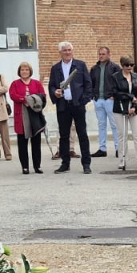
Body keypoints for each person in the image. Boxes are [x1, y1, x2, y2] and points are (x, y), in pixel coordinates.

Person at [49, 41, 92, 174]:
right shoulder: (55, 68)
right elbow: (51, 85)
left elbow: (88, 84)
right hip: (63, 105)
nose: (67, 52)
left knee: (82, 134)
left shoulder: (80, 65)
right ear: (60, 52)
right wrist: (55, 93)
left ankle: (86, 164)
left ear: (72, 51)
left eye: (69, 50)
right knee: (64, 136)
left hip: (78, 105)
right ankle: (65, 163)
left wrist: (84, 100)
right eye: (64, 50)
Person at [9, 61, 46, 174]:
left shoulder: (37, 83)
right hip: (21, 116)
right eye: (22, 70)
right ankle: (25, 166)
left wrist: (33, 101)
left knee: (36, 143)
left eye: (26, 70)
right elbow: (13, 95)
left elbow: (43, 96)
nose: (24, 72)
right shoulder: (15, 83)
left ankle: (37, 166)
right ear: (19, 72)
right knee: (22, 144)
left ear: (30, 71)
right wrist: (24, 99)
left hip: (34, 115)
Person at [89, 46, 125, 159]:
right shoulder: (94, 68)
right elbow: (90, 83)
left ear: (109, 55)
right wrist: (92, 96)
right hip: (98, 99)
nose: (101, 56)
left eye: (103, 54)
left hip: (110, 100)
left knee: (114, 124)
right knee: (101, 125)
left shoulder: (115, 67)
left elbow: (120, 82)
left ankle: (118, 148)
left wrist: (115, 95)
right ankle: (102, 149)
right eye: (100, 54)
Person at [115, 56, 137, 171]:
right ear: (122, 65)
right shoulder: (115, 77)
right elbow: (115, 93)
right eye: (127, 65)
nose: (129, 67)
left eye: (131, 65)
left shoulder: (136, 76)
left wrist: (134, 107)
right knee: (122, 135)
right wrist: (130, 97)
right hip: (120, 108)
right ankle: (122, 160)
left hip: (134, 109)